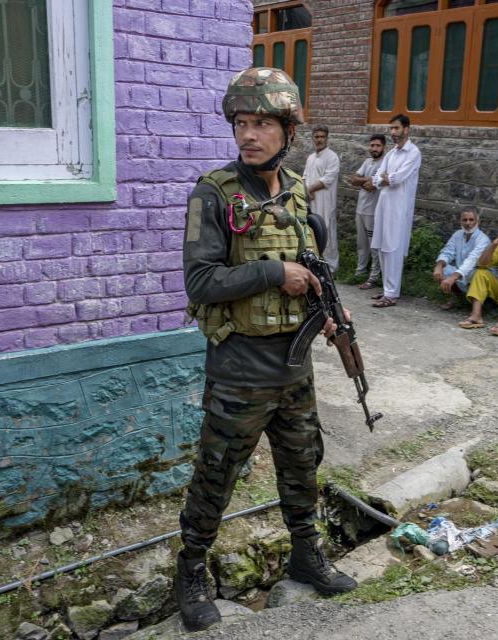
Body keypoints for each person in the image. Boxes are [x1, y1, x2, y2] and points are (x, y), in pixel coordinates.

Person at [178, 68, 356, 632]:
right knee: (217, 474)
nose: (248, 135)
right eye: (241, 124)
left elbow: (313, 266)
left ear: (288, 131)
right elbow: (201, 282)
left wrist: (329, 310)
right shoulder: (213, 194)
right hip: (239, 369)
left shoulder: (299, 190)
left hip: (294, 364)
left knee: (303, 465)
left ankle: (306, 555)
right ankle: (190, 572)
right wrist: (273, 272)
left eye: (262, 125)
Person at [370, 114, 422, 308]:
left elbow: (397, 179)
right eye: (391, 128)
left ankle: (392, 294)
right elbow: (376, 179)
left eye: (396, 128)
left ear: (406, 129)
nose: (393, 132)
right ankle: (386, 289)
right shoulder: (391, 154)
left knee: (393, 248)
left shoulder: (413, 153)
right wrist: (385, 178)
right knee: (382, 246)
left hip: (399, 208)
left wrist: (387, 178)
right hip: (383, 206)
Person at [432, 206, 491, 310]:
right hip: (463, 274)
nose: (468, 223)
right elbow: (447, 252)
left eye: (471, 220)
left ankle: (479, 305)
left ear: (478, 221)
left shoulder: (483, 240)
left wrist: (453, 277)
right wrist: (439, 265)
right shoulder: (457, 235)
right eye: (465, 220)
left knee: (473, 274)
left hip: (478, 275)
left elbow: (471, 261)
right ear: (461, 221)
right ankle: (459, 299)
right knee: (443, 270)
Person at [351, 134, 386, 289]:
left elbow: (374, 185)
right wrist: (368, 179)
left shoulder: (385, 163)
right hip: (361, 209)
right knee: (361, 243)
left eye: (377, 146)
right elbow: (354, 180)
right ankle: (360, 272)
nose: (374, 148)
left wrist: (368, 180)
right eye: (372, 145)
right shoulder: (367, 162)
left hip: (373, 211)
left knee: (374, 245)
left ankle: (373, 277)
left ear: (384, 147)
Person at [303, 124, 341, 271]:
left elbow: (328, 179)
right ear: (313, 138)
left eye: (322, 137)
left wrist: (310, 189)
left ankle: (331, 268)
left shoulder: (332, 157)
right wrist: (306, 191)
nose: (319, 139)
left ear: (327, 138)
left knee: (327, 233)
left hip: (325, 201)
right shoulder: (310, 158)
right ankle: (315, 265)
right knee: (313, 231)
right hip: (311, 201)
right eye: (317, 136)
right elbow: (304, 176)